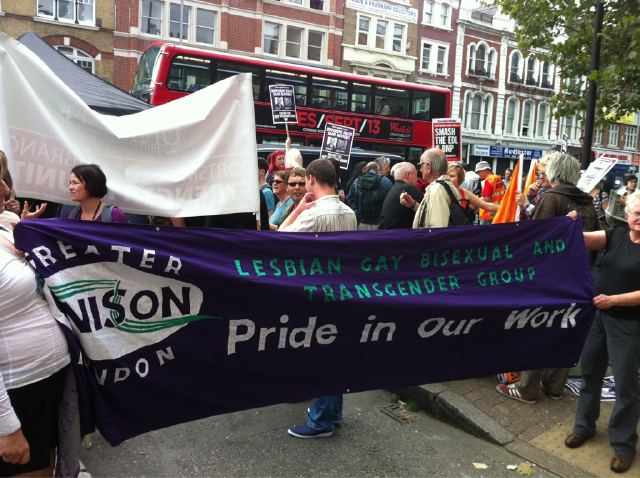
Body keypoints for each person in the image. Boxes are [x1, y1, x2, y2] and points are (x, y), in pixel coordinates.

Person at [497, 153, 599, 404]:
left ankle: (527, 388)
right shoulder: (586, 202)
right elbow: (596, 241)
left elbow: (538, 238)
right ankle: (555, 386)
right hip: (578, 276)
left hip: (550, 277)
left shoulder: (551, 198)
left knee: (540, 328)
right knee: (566, 328)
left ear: (554, 173)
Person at [0, 160, 71, 477]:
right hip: (17, 394)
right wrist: (7, 427)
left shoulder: (6, 224)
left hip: (47, 384)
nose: (5, 189)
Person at [564, 190, 640, 474]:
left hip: (628, 323)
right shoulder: (616, 235)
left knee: (625, 386)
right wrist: (571, 224)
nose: (639, 218)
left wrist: (614, 300)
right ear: (628, 214)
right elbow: (583, 239)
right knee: (590, 374)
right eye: (636, 213)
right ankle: (584, 427)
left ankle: (623, 445)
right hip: (599, 317)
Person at [280, 158, 356, 438]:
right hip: (342, 290)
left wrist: (297, 210)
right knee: (334, 352)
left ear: (311, 180)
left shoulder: (313, 215)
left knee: (320, 353)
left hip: (315, 291)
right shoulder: (349, 212)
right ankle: (331, 413)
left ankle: (321, 420)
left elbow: (279, 242)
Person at [400, 148, 460, 229]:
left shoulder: (437, 190)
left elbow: (437, 229)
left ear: (428, 166)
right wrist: (413, 205)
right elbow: (430, 215)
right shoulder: (443, 187)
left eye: (421, 165)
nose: (420, 170)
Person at [379, 162, 423, 229]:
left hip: (388, 234)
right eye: (416, 175)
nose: (417, 179)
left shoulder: (394, 188)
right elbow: (428, 212)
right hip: (402, 236)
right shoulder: (409, 188)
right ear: (408, 175)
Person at [347, 162, 387, 230]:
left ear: (366, 169)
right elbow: (388, 201)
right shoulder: (385, 181)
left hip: (361, 222)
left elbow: (349, 198)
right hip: (379, 223)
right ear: (378, 169)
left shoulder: (357, 181)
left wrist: (357, 211)